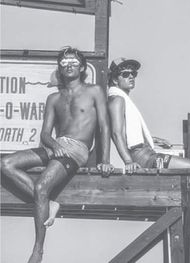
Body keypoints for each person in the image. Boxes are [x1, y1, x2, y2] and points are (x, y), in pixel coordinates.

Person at [1, 47, 114, 263]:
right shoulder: (54, 97)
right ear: (60, 69)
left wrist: (105, 160)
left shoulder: (94, 91)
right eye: (64, 63)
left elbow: (104, 126)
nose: (68, 65)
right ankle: (50, 202)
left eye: (73, 62)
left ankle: (38, 249)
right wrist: (54, 144)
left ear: (81, 68)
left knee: (41, 186)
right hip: (56, 146)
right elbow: (45, 133)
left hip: (77, 148)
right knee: (6, 163)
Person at [107, 57, 190, 245]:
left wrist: (153, 139)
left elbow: (128, 131)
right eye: (125, 74)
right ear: (114, 79)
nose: (131, 77)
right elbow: (116, 133)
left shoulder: (122, 98)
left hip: (145, 152)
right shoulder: (117, 99)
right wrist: (128, 162)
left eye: (133, 73)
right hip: (142, 157)